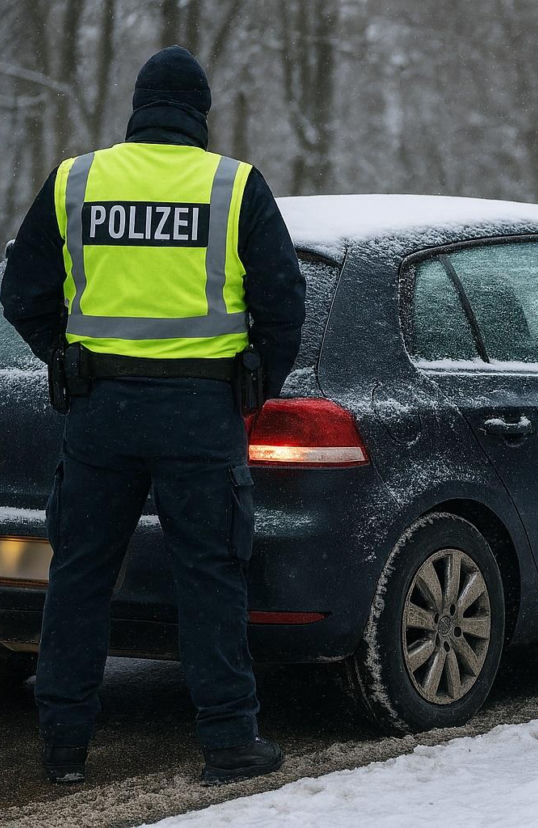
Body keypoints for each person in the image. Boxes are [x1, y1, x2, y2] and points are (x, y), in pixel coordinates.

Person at [0, 46, 305, 783]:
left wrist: (64, 357)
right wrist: (253, 386)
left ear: (137, 109)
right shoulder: (234, 185)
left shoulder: (76, 180)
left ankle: (63, 748)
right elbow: (283, 304)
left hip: (101, 412)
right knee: (209, 577)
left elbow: (21, 290)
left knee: (79, 575)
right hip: (201, 414)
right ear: (200, 114)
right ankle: (228, 742)